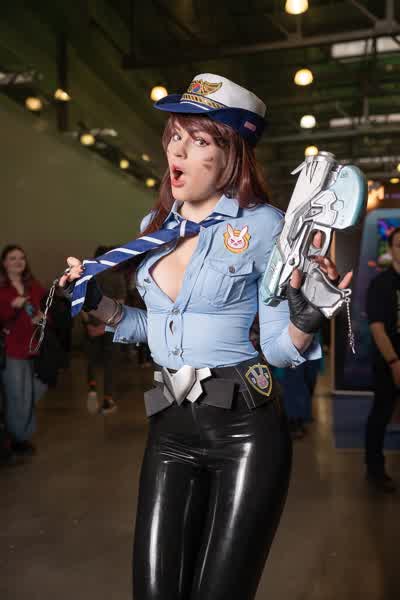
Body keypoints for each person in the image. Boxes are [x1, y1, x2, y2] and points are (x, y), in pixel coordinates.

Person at [60, 73, 352, 600]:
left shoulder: (264, 226)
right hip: (169, 428)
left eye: (198, 141)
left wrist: (306, 320)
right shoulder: (153, 227)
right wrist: (97, 303)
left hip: (245, 431)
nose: (178, 151)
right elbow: (149, 328)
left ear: (231, 154)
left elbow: (278, 350)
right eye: (175, 136)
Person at [0, 245, 47, 456]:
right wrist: (12, 306)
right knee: (17, 395)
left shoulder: (33, 286)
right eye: (12, 258)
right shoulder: (3, 289)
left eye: (21, 258)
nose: (18, 262)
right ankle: (18, 438)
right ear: (4, 263)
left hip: (33, 347)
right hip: (12, 350)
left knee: (32, 391)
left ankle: (17, 432)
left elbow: (45, 307)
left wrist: (42, 317)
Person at [365, 226, 400, 493]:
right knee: (381, 414)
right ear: (391, 249)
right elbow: (377, 328)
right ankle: (375, 471)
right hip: (389, 361)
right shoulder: (381, 283)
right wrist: (394, 362)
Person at [83, 245, 127, 415]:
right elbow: (119, 306)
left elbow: (80, 304)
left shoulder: (88, 276)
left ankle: (92, 388)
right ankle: (108, 399)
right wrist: (104, 327)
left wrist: (88, 325)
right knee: (110, 363)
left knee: (92, 359)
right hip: (109, 326)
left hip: (91, 324)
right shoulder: (117, 277)